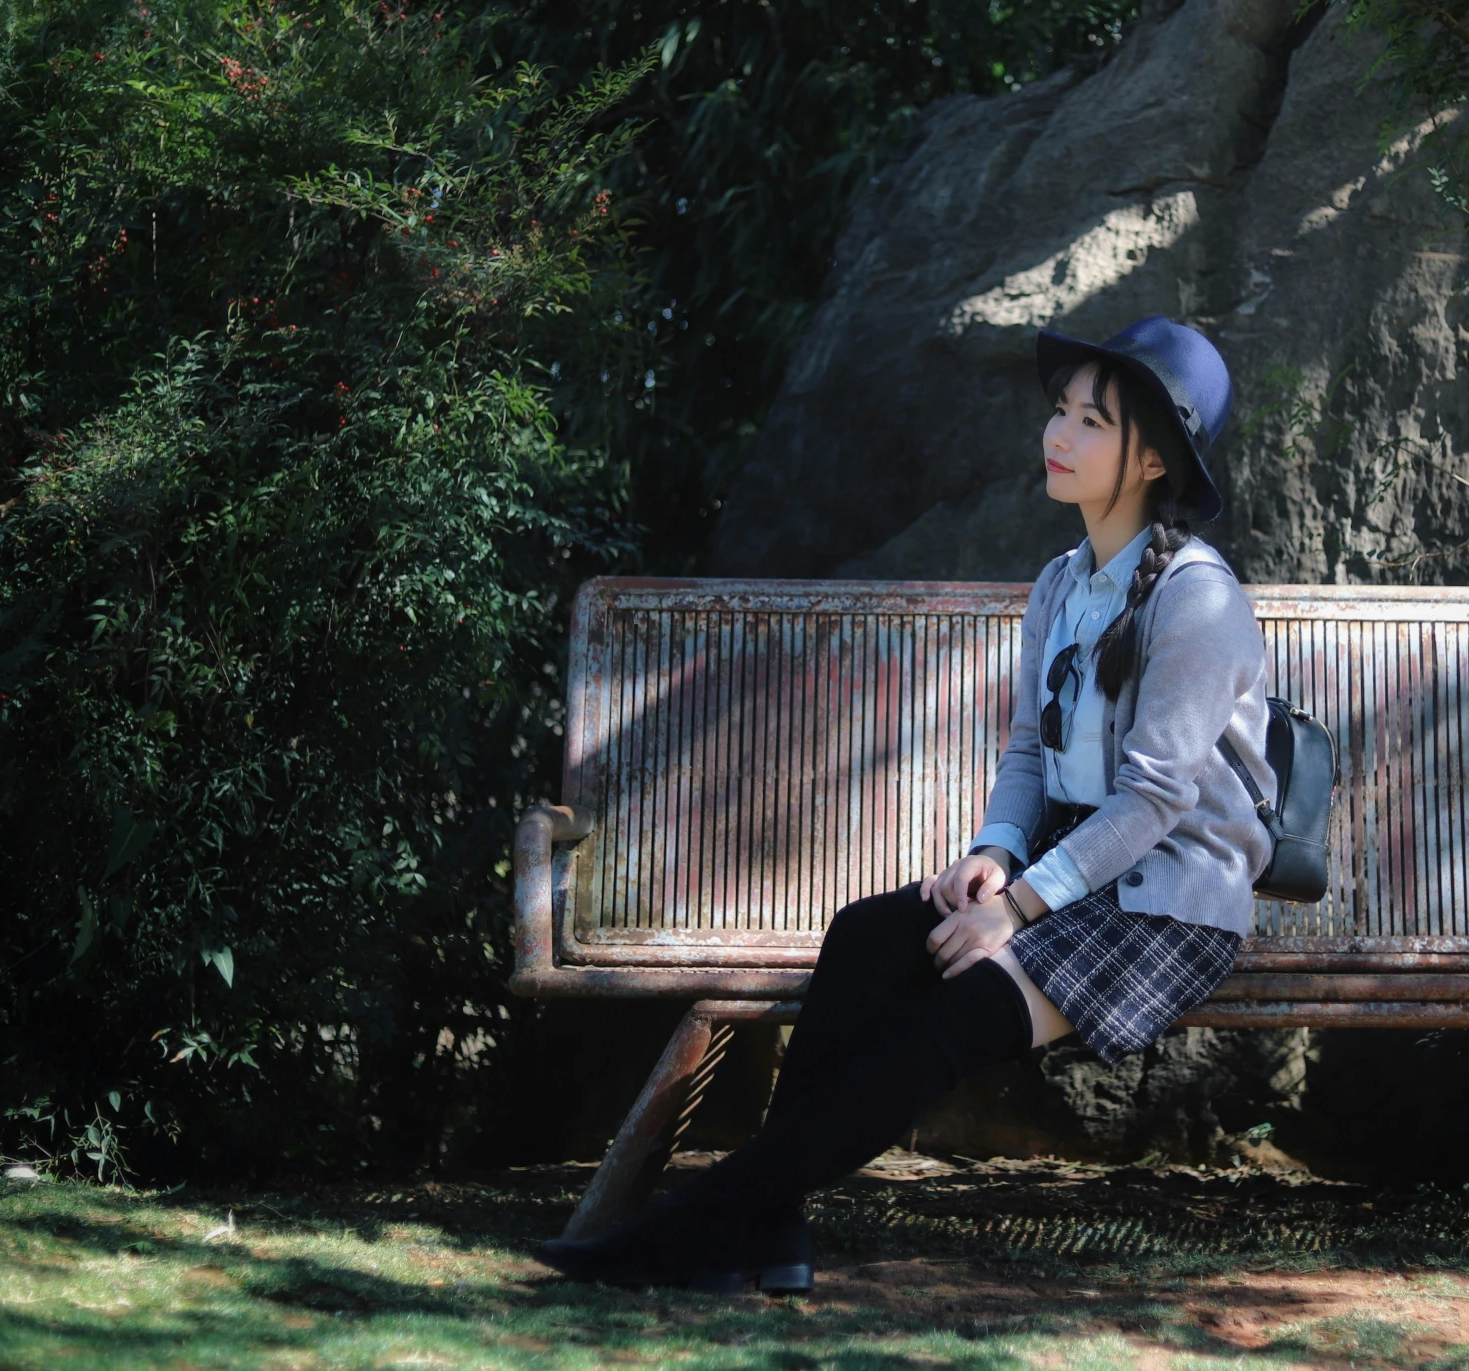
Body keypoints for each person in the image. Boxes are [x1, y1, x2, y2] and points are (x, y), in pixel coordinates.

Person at [532, 315, 1274, 1293]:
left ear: (1150, 459)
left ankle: (690, 1229)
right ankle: (768, 1234)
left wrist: (1012, 910)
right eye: (1059, 409)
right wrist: (995, 850)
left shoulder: (1195, 599)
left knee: (940, 1024)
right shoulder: (1061, 584)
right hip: (1066, 874)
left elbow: (1151, 800)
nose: (1058, 433)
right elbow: (1026, 746)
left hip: (1160, 901)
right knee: (865, 939)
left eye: (1091, 421)